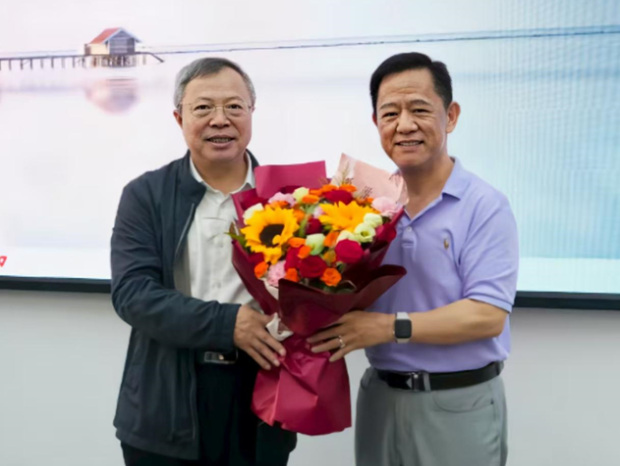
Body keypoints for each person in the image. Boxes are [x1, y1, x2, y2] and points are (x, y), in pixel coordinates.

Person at [308, 52, 519, 466]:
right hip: (380, 396)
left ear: (450, 116)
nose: (404, 125)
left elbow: (487, 315)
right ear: (376, 124)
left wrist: (386, 327)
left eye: (419, 109)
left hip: (457, 402)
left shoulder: (485, 205)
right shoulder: (361, 205)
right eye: (390, 113)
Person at [110, 57, 296, 466]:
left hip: (260, 397)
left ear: (252, 112)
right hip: (166, 401)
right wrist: (228, 324)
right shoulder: (146, 195)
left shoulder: (288, 197)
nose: (220, 119)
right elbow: (132, 295)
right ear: (179, 118)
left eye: (234, 106)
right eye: (203, 107)